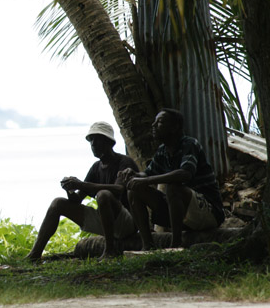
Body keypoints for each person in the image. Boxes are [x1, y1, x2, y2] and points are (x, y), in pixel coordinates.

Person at [25, 121, 138, 261]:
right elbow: (77, 200)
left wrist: (82, 184)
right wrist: (71, 190)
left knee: (104, 195)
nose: (93, 145)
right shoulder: (96, 167)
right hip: (106, 221)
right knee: (57, 203)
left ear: (109, 142)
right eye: (91, 141)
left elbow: (119, 189)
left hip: (127, 222)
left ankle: (110, 250)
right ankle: (34, 255)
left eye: (97, 140)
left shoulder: (124, 162)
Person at [124, 108, 225, 250]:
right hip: (183, 214)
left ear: (174, 127)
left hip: (208, 212)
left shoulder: (189, 144)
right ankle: (147, 245)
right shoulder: (162, 151)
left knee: (173, 187)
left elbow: (185, 174)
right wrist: (133, 174)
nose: (153, 126)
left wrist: (146, 180)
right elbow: (147, 174)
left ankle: (175, 244)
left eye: (159, 122)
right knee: (134, 191)